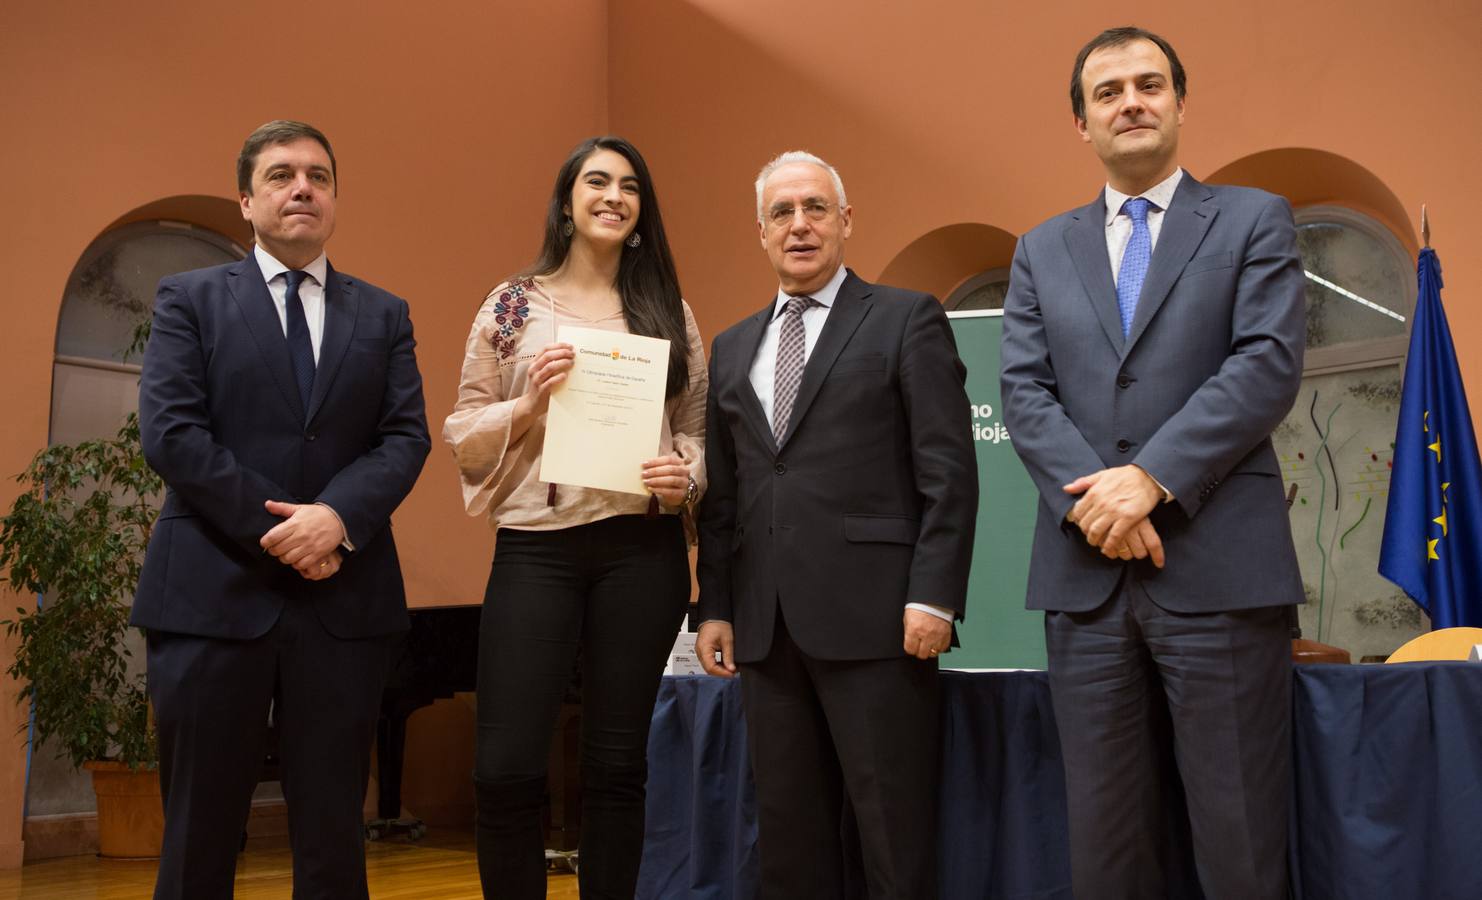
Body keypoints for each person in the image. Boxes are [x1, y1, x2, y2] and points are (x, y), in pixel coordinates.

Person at [999, 27, 1305, 900]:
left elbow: (1265, 364)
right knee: (1106, 850)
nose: (1130, 101)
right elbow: (1022, 392)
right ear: (1080, 123)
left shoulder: (1252, 217)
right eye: (1108, 92)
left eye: (1148, 85)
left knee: (1240, 841)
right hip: (1084, 581)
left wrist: (1151, 479)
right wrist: (1102, 507)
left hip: (1220, 573)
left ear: (1179, 102)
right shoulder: (1039, 250)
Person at [133, 119, 431, 899]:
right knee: (199, 832)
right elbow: (170, 433)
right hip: (210, 598)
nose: (303, 187)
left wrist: (336, 520)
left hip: (343, 606)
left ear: (335, 199)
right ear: (247, 198)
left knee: (334, 835)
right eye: (281, 175)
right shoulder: (188, 299)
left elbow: (405, 439)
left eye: (319, 176)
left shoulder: (385, 314)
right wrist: (285, 531)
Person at [694, 151, 977, 899]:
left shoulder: (906, 318)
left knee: (894, 837)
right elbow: (725, 498)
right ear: (761, 233)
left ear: (845, 221)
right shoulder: (730, 348)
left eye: (815, 208)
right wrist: (715, 606)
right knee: (790, 844)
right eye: (782, 213)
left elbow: (948, 474)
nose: (800, 225)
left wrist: (935, 597)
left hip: (882, 622)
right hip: (765, 628)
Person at [443, 135, 706, 899]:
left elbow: (696, 430)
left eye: (629, 186)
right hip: (537, 549)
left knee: (620, 766)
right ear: (567, 202)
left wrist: (684, 474)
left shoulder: (669, 312)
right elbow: (462, 429)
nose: (613, 196)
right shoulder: (512, 304)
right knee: (505, 767)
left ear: (641, 210)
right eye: (597, 182)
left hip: (641, 551)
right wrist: (526, 404)